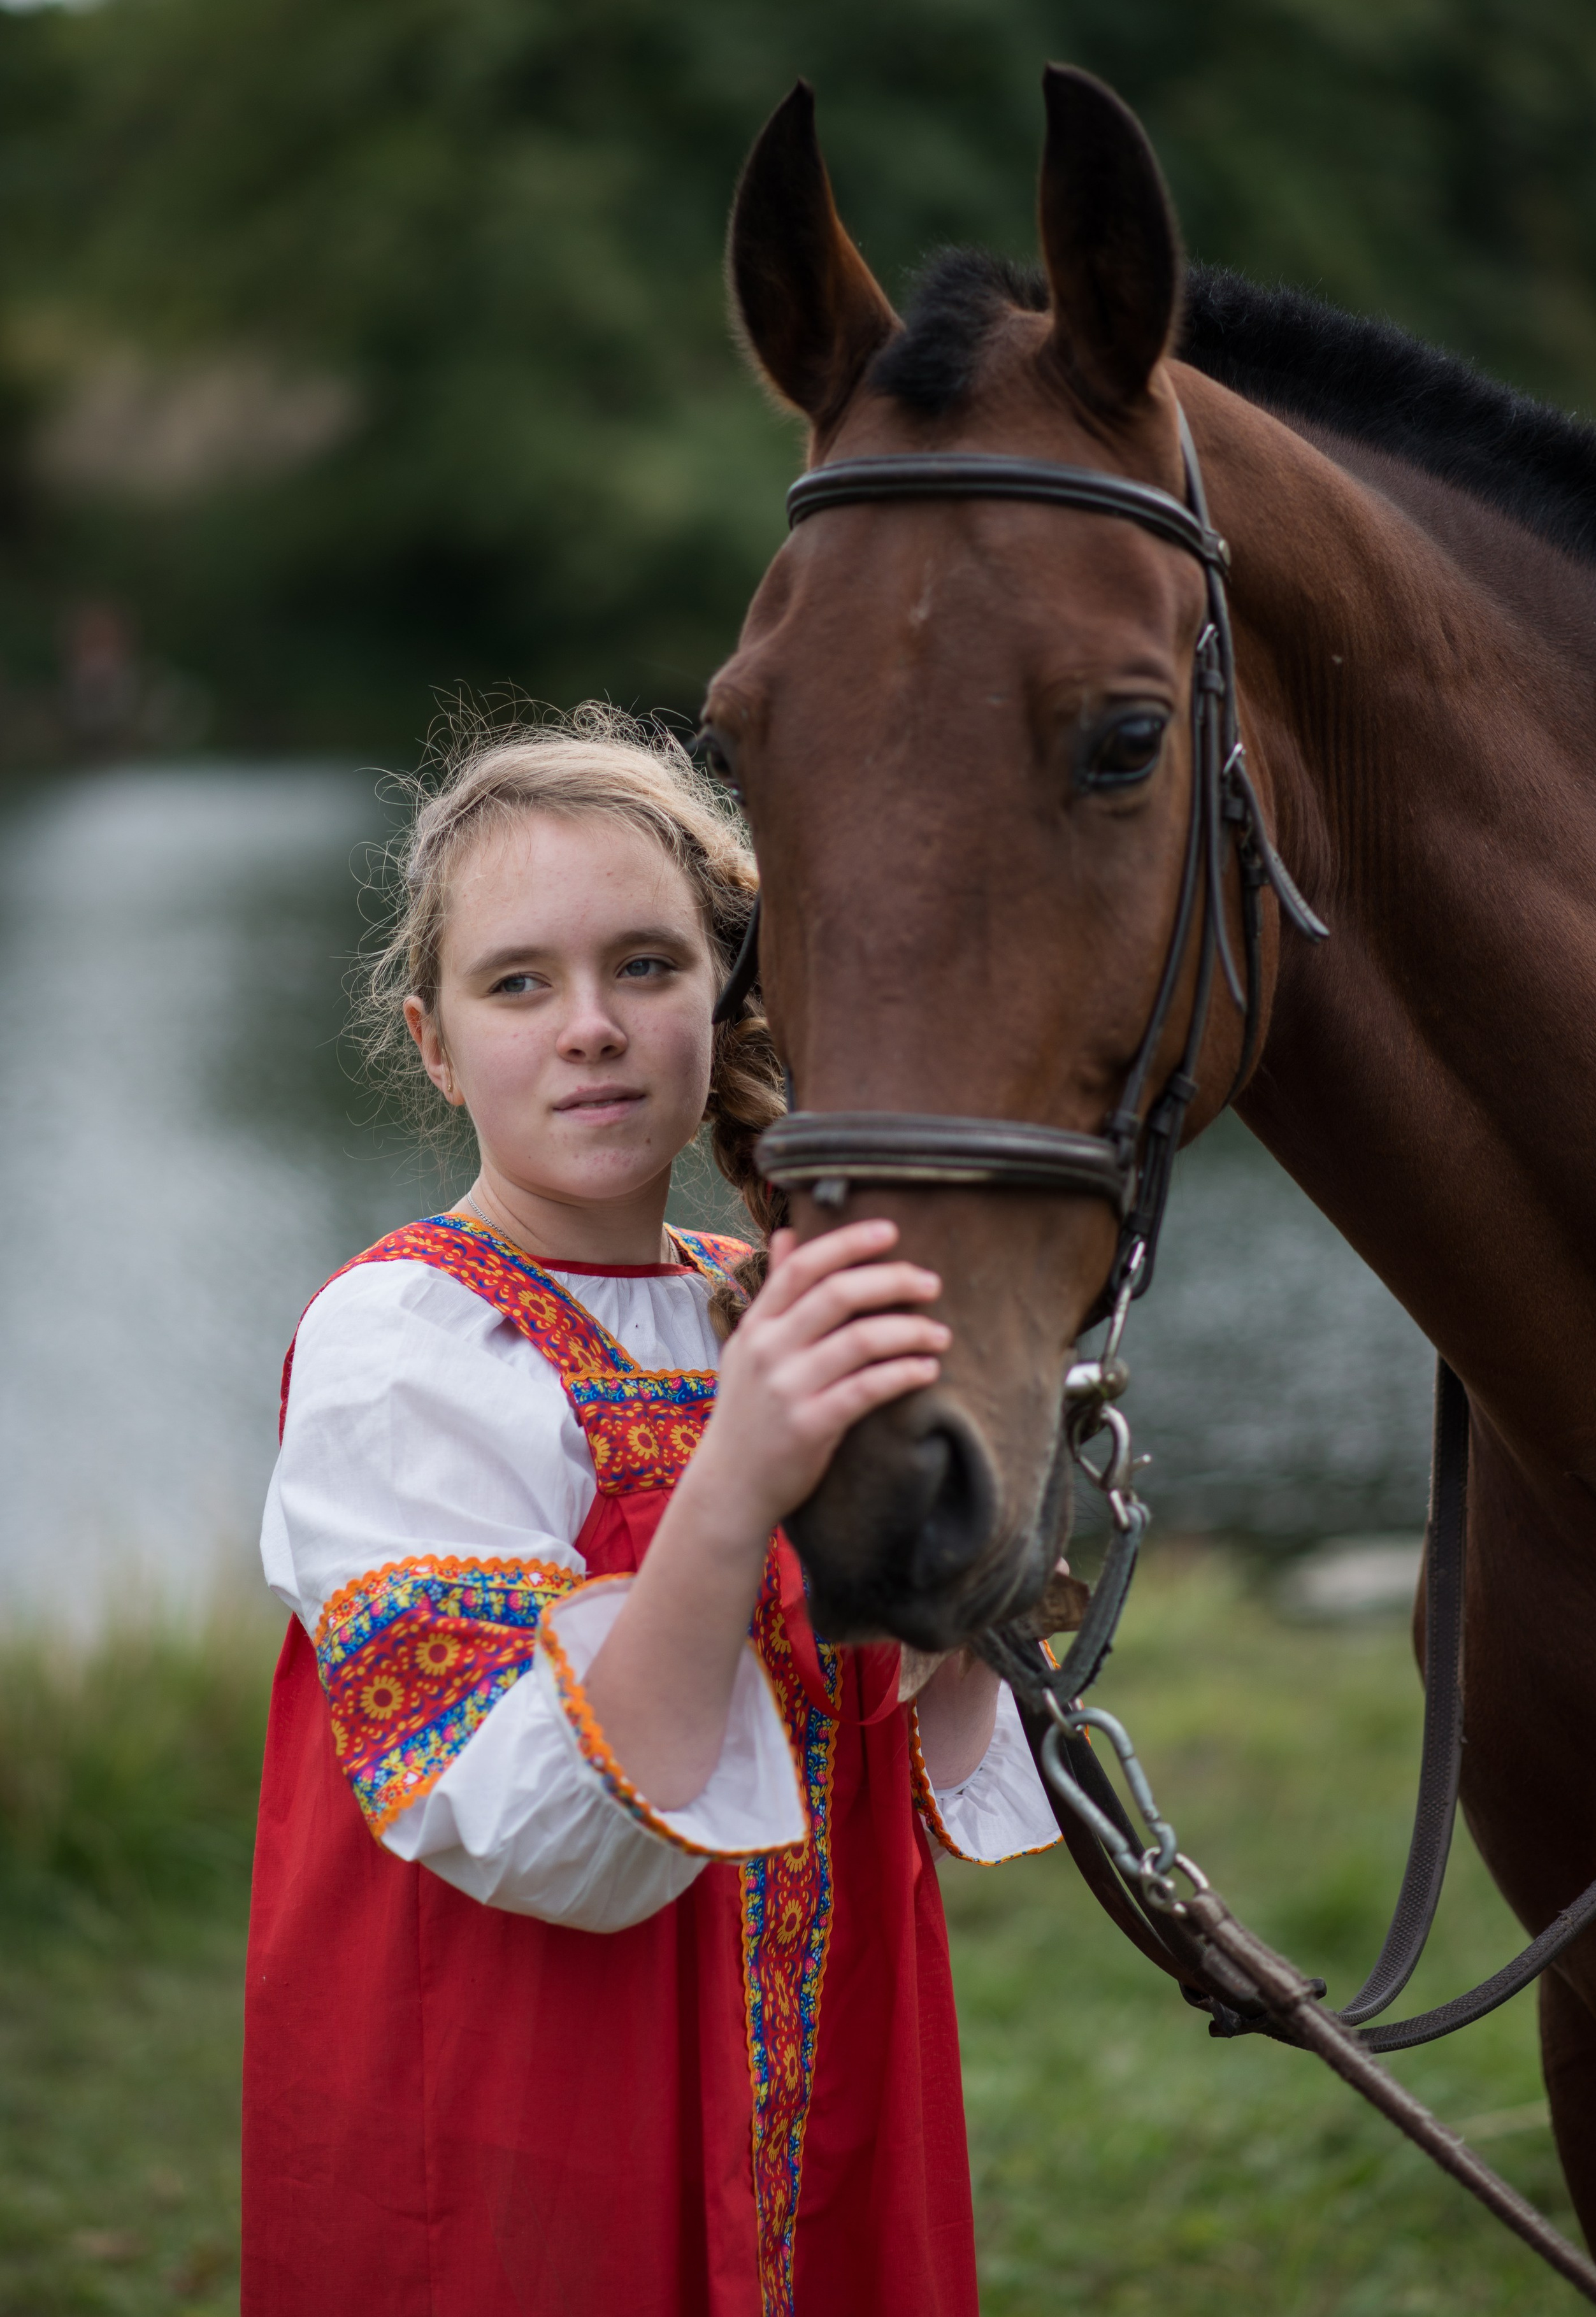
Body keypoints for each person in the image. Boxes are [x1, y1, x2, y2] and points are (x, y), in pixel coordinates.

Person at [241, 707, 1059, 2317]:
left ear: (723, 999)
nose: (591, 1028)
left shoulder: (761, 1299)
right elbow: (531, 1823)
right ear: (431, 1041)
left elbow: (904, 1730)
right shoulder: (403, 1342)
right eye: (517, 983)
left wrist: (972, 1482)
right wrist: (740, 1471)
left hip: (826, 2081)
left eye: (646, 965)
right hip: (530, 2109)